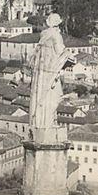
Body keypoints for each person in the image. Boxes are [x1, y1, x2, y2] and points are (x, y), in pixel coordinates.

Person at [28, 12, 70, 141]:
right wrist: (69, 57)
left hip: (41, 75)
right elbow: (61, 54)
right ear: (57, 24)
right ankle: (48, 123)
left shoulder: (43, 36)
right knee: (54, 97)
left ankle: (41, 122)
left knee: (42, 97)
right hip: (51, 74)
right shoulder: (56, 36)